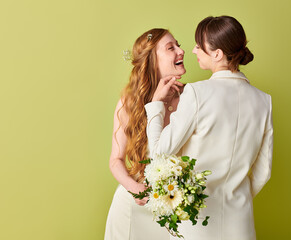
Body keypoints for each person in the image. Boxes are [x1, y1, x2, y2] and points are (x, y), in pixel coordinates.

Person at [145, 16, 273, 240]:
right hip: (242, 227)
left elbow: (158, 153)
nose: (192, 51)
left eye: (198, 45)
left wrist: (156, 105)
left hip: (197, 226)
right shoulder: (264, 101)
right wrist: (235, 200)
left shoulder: (196, 93)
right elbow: (263, 173)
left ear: (217, 54)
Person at [104, 28, 185, 240]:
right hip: (132, 208)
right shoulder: (130, 102)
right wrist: (135, 189)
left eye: (178, 44)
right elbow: (116, 160)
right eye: (171, 48)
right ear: (152, 60)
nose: (181, 51)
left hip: (176, 209)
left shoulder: (191, 99)